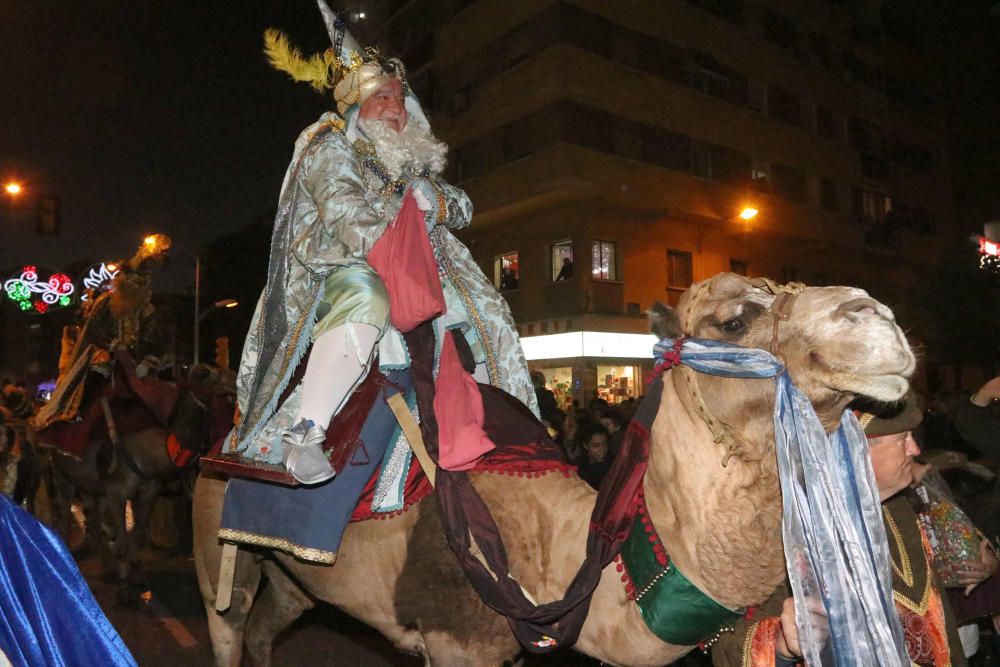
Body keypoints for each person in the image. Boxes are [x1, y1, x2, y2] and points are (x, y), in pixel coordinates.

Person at [219, 0, 537, 555]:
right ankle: (305, 432)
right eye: (382, 99)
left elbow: (462, 207)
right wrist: (395, 242)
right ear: (357, 107)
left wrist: (428, 200)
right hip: (338, 272)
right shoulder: (328, 147)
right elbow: (345, 215)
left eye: (400, 99)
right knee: (368, 292)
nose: (395, 109)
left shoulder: (410, 163)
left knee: (487, 319)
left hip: (416, 279)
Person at [712, 394, 978, 666]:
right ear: (853, 450)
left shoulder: (899, 510)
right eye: (903, 439)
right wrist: (782, 644)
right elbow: (726, 646)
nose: (915, 450)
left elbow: (933, 622)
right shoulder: (779, 532)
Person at [576, 423, 612, 490]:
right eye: (596, 446)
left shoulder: (614, 464)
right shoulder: (578, 467)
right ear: (586, 446)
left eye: (605, 444)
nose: (602, 449)